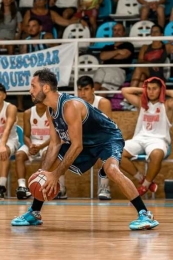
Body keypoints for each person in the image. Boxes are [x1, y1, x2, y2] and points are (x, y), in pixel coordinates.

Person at [11, 68, 159, 230]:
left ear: (45, 88)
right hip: (85, 141)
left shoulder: (70, 106)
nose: (30, 90)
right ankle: (34, 212)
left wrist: (56, 175)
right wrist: (44, 174)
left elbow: (77, 145)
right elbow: (55, 144)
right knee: (49, 157)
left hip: (107, 138)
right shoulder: (50, 110)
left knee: (111, 169)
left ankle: (145, 214)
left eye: (33, 86)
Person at [121, 77, 173, 196]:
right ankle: (142, 179)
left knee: (157, 154)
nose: (151, 91)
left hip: (158, 140)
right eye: (148, 89)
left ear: (161, 90)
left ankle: (144, 187)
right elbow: (125, 91)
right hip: (139, 139)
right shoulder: (142, 103)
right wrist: (143, 90)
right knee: (115, 152)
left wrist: (164, 91)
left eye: (154, 89)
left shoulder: (167, 105)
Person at [76, 75, 112, 200]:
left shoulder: (103, 103)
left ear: (92, 90)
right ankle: (60, 189)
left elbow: (104, 128)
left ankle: (104, 187)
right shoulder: (74, 104)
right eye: (80, 90)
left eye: (86, 89)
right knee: (58, 150)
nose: (82, 93)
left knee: (101, 149)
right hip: (83, 139)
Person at [15, 102, 50, 200]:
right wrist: (30, 145)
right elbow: (26, 135)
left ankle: (39, 185)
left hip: (48, 144)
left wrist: (41, 146)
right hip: (33, 143)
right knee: (19, 155)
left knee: (46, 155)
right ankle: (22, 187)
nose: (38, 100)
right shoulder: (28, 112)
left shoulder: (52, 112)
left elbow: (55, 136)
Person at [94, 23, 134, 93]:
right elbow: (102, 56)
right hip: (104, 69)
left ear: (124, 32)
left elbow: (124, 55)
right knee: (95, 85)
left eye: (119, 30)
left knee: (104, 88)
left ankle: (99, 104)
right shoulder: (107, 47)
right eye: (114, 30)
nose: (116, 32)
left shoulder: (128, 45)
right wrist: (118, 51)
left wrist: (110, 55)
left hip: (118, 70)